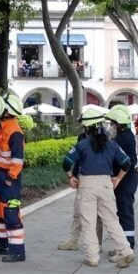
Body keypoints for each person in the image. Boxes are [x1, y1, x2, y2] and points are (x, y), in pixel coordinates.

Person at [62, 119, 136, 268]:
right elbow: (127, 162)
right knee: (111, 220)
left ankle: (92, 257)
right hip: (106, 184)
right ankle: (126, 250)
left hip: (87, 184)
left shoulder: (82, 144)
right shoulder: (111, 144)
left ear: (87, 128)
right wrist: (118, 178)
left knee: (89, 222)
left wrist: (71, 177)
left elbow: (67, 162)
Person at [58, 108, 107, 252]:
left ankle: (97, 244)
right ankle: (74, 240)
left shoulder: (104, 138)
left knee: (97, 214)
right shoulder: (83, 137)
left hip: (93, 180)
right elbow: (77, 159)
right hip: (84, 178)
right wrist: (73, 175)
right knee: (79, 210)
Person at [0, 93, 27, 262]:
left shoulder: (14, 131)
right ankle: (2, 244)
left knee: (11, 213)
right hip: (0, 177)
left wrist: (10, 177)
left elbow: (18, 160)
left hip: (9, 179)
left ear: (6, 111)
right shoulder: (4, 127)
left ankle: (17, 251)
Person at [105, 105, 138, 248]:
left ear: (118, 124)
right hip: (128, 177)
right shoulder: (126, 135)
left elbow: (121, 159)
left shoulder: (122, 138)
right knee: (123, 211)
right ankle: (124, 244)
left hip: (125, 178)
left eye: (112, 123)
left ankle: (127, 246)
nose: (111, 126)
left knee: (125, 211)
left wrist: (118, 177)